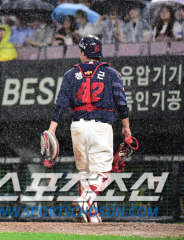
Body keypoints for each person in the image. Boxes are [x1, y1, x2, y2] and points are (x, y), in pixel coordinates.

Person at [46, 36, 131, 223]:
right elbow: (121, 103)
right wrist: (126, 126)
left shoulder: (70, 74)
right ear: (99, 52)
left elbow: (60, 105)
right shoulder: (111, 73)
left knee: (85, 173)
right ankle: (85, 201)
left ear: (84, 52)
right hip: (100, 126)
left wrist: (52, 129)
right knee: (102, 173)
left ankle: (92, 216)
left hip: (77, 126)